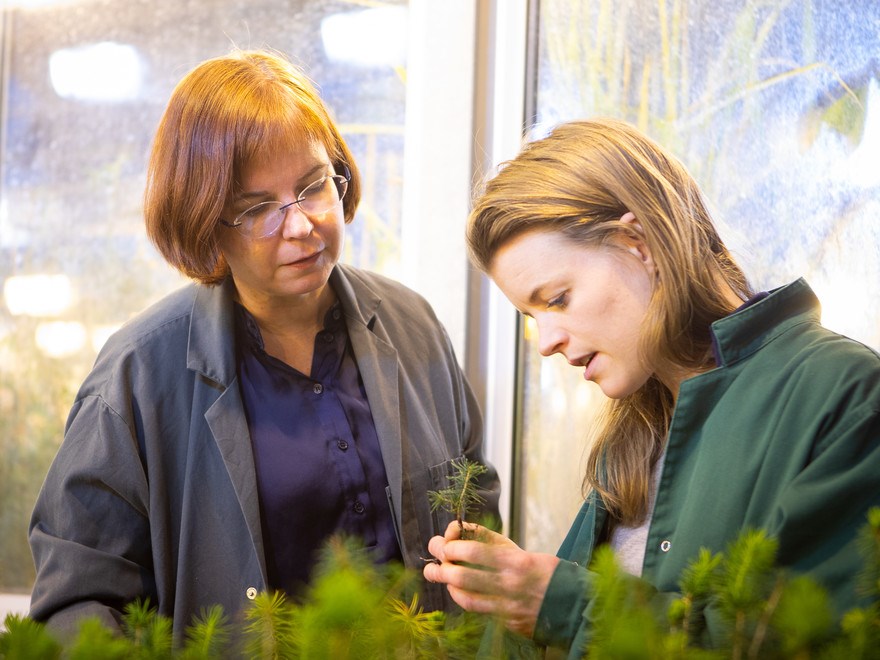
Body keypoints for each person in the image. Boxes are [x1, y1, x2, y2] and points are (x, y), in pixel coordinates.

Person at [28, 48, 499, 639]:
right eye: (258, 208)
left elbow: (473, 506)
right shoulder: (138, 376)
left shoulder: (412, 326)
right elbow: (78, 601)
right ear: (204, 223)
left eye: (312, 187)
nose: (301, 225)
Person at [423, 117, 880, 656]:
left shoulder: (842, 393)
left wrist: (559, 605)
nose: (544, 342)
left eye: (558, 299)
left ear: (638, 243)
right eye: (530, 315)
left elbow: (809, 642)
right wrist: (512, 598)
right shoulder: (638, 432)